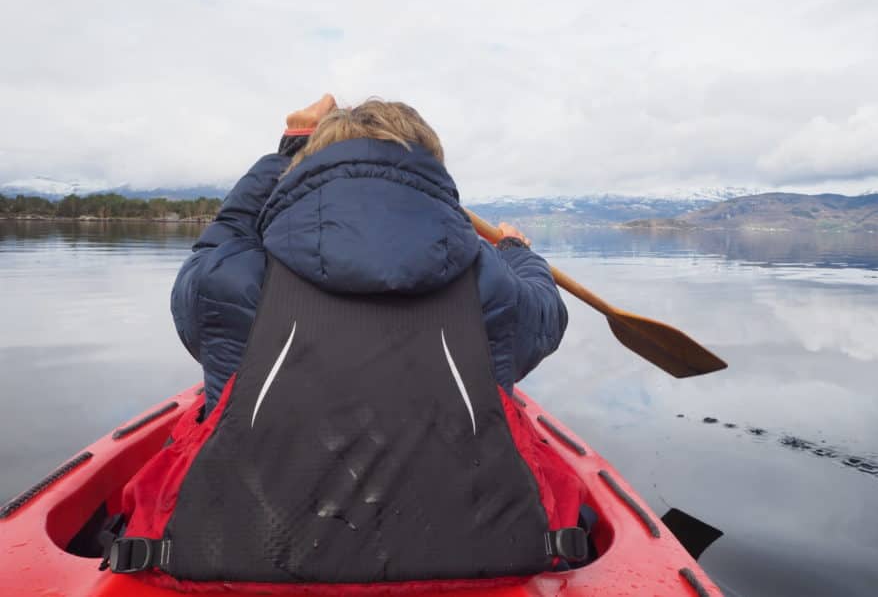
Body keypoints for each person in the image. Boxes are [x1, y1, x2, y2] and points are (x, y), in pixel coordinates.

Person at [108, 95, 588, 585]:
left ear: (301, 168)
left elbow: (225, 231)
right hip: (477, 570)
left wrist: (285, 148)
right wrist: (515, 250)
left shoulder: (228, 281)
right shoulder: (495, 288)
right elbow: (547, 308)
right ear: (433, 173)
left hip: (238, 568)